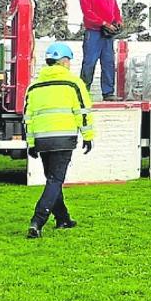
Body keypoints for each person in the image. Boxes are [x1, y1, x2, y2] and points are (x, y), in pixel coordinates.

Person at [24, 42, 95, 238]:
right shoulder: (73, 83)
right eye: (69, 61)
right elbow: (82, 111)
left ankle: (63, 218)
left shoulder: (34, 86)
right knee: (55, 180)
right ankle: (37, 220)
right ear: (63, 62)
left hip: (41, 139)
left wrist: (31, 143)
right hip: (64, 137)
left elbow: (27, 117)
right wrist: (88, 137)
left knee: (52, 179)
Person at [79, 0, 124, 99]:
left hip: (108, 35)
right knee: (89, 62)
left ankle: (108, 92)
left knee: (108, 62)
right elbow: (88, 13)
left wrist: (118, 21)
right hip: (93, 32)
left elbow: (115, 10)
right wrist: (103, 23)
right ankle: (83, 91)